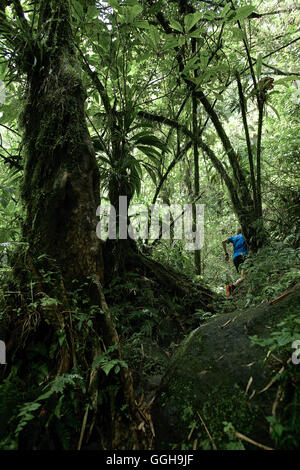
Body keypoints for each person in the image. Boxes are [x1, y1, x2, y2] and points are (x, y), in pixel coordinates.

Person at [222, 228, 248, 295]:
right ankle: (231, 287)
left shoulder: (233, 238)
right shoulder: (245, 235)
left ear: (237, 232)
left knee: (243, 276)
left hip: (235, 258)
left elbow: (223, 242)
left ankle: (232, 291)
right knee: (243, 277)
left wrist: (226, 254)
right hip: (243, 257)